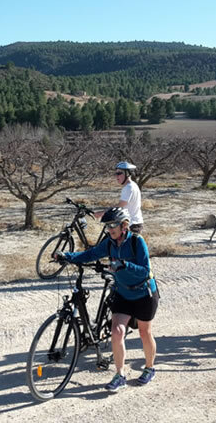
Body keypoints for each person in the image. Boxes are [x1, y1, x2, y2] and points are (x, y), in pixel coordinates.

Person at [56, 207, 158, 392]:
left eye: (113, 225)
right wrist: (67, 256)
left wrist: (124, 265)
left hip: (144, 293)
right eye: (107, 226)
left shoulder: (137, 241)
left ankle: (149, 368)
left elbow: (145, 270)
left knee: (145, 333)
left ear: (124, 225)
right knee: (117, 332)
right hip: (122, 293)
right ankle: (120, 375)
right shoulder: (109, 243)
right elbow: (90, 254)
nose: (109, 229)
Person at [96, 162, 144, 235]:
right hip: (133, 223)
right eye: (116, 173)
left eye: (119, 173)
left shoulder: (129, 187)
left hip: (132, 224)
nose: (117, 176)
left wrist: (103, 213)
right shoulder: (132, 185)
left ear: (127, 174)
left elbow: (121, 205)